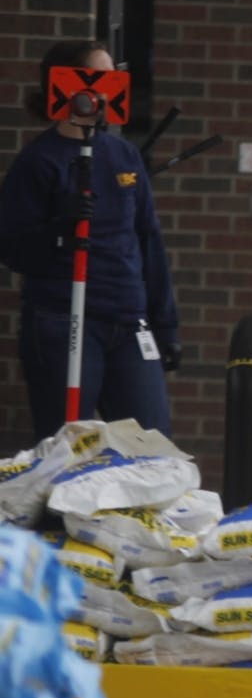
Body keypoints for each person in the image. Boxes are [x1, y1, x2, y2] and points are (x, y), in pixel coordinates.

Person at [0, 40, 179, 440]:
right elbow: (13, 249)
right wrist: (59, 228)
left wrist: (165, 324)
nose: (105, 90)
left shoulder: (123, 155)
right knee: (70, 446)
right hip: (67, 320)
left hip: (129, 319)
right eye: (97, 78)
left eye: (113, 78)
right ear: (64, 85)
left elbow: (148, 239)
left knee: (149, 444)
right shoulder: (39, 162)